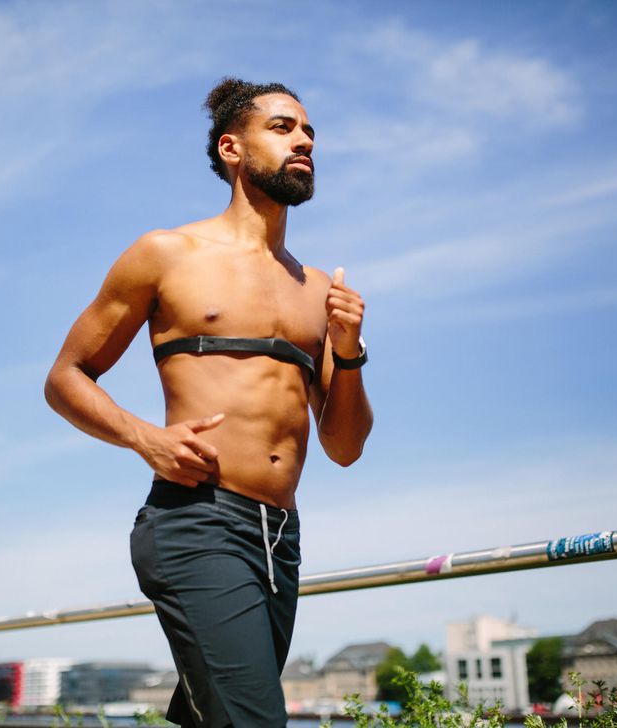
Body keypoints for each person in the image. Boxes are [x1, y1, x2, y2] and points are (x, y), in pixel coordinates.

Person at [45, 77, 373, 727]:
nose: (304, 140)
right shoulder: (167, 254)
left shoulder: (317, 291)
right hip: (198, 521)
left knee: (210, 716)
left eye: (309, 131)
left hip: (280, 538)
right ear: (232, 147)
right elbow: (66, 377)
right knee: (253, 720)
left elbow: (343, 447)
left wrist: (350, 347)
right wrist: (146, 438)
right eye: (283, 128)